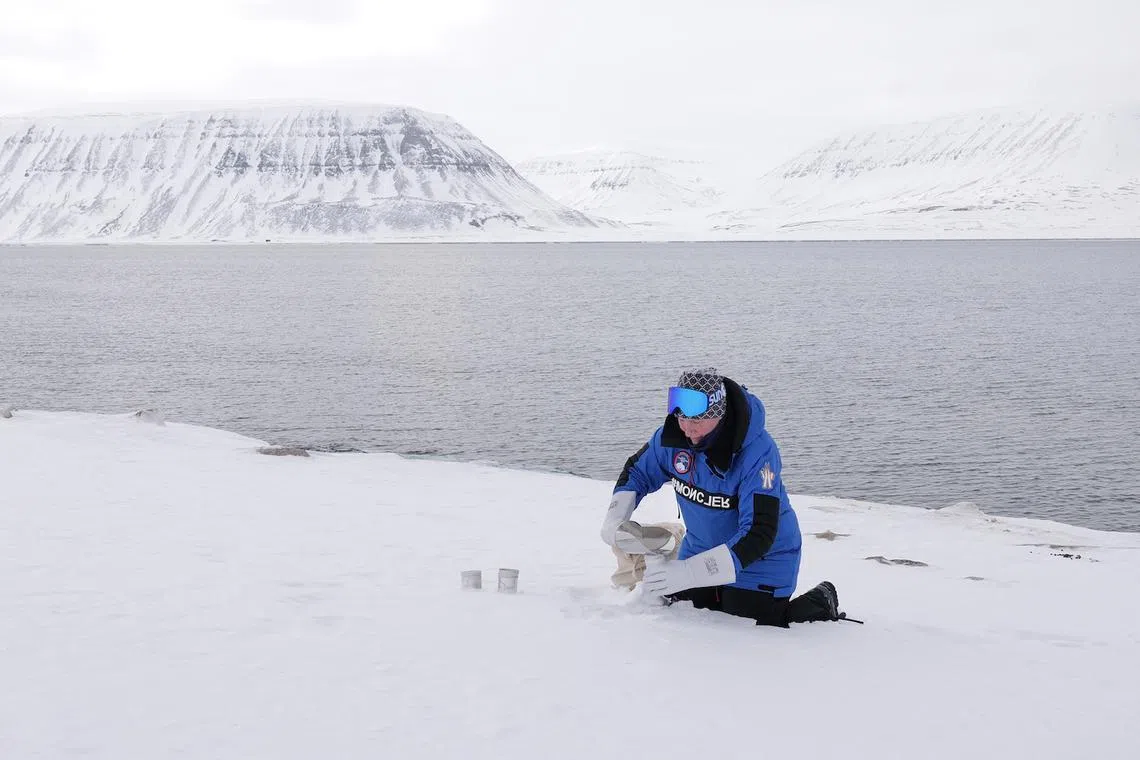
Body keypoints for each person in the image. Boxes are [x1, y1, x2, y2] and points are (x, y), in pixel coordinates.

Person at [599, 368, 842, 627]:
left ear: (719, 414)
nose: (688, 428)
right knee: (687, 612)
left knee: (744, 620)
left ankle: (822, 598)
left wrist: (689, 573)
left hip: (764, 559)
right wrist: (614, 520)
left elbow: (759, 532)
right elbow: (636, 473)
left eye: (697, 420)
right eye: (681, 417)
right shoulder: (672, 437)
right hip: (700, 549)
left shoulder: (759, 452)